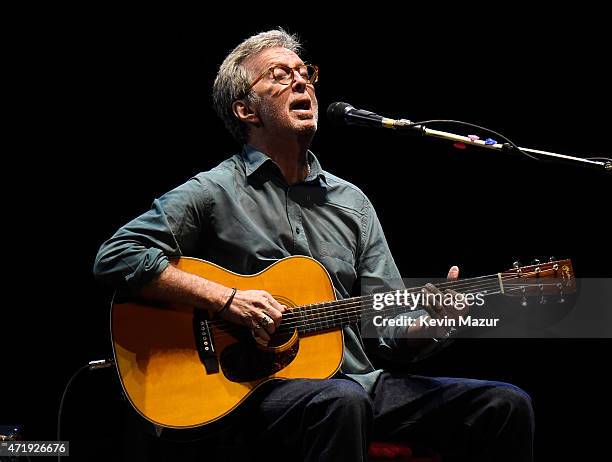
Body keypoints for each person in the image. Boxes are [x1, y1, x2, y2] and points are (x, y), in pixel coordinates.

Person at [94, 28, 534, 462]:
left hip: (361, 385)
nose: (301, 82)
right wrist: (227, 300)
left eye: (305, 73)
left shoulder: (353, 203)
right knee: (341, 402)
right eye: (279, 76)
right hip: (255, 391)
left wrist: (433, 324)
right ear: (246, 110)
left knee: (504, 404)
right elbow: (118, 256)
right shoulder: (215, 191)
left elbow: (386, 333)